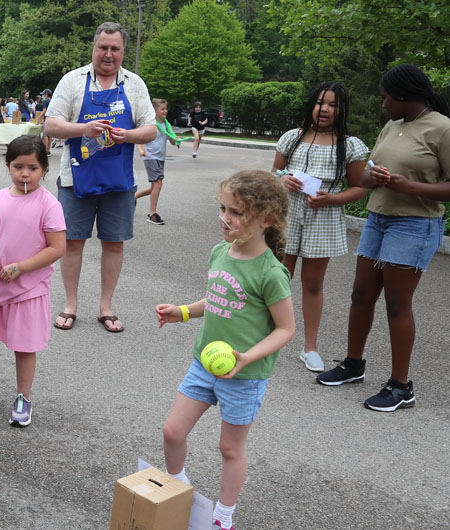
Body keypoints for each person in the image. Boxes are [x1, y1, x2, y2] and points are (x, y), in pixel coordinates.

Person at [156, 170, 294, 530]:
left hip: (244, 376)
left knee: (230, 449)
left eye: (236, 213)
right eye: (223, 209)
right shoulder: (220, 251)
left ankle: (223, 517)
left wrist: (249, 356)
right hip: (204, 364)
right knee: (172, 432)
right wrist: (184, 311)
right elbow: (218, 298)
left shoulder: (271, 273)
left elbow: (286, 328)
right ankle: (178, 489)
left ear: (266, 220)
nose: (224, 219)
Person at [316, 64, 450, 412]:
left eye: (386, 97)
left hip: (415, 224)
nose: (383, 103)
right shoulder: (393, 125)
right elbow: (372, 172)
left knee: (396, 303)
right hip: (379, 218)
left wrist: (411, 187)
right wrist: (373, 177)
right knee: (361, 294)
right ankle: (353, 365)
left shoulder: (442, 128)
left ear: (405, 96)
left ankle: (401, 386)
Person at [44, 21, 157, 333]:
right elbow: (51, 125)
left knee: (114, 243)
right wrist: (84, 129)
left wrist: (127, 135)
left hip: (118, 180)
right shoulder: (72, 81)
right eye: (103, 48)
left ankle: (106, 307)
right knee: (71, 243)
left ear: (122, 52)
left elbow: (151, 129)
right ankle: (70, 304)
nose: (108, 54)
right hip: (76, 178)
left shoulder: (135, 84)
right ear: (93, 49)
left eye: (115, 49)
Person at [0, 135, 66, 426]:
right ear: (8, 166)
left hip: (28, 289)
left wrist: (21, 267)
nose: (25, 173)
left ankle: (23, 396)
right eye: (18, 166)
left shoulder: (49, 204)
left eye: (33, 168)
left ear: (44, 169)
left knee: (25, 345)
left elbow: (57, 248)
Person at [272, 81, 368, 373]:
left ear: (341, 110)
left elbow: (360, 188)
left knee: (313, 284)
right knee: (277, 277)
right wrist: (282, 179)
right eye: (319, 103)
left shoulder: (349, 145)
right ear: (311, 105)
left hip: (323, 218)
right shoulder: (292, 137)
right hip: (287, 213)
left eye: (332, 105)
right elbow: (273, 173)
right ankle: (266, 336)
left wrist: (332, 199)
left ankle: (310, 347)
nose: (324, 109)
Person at [135, 98, 177, 225]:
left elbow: (172, 141)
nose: (165, 111)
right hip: (150, 156)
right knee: (158, 184)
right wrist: (141, 150)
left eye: (166, 109)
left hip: (160, 157)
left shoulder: (166, 124)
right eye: (162, 109)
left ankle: (133, 197)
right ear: (155, 110)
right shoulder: (151, 124)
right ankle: (152, 214)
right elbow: (139, 138)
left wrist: (176, 139)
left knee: (154, 187)